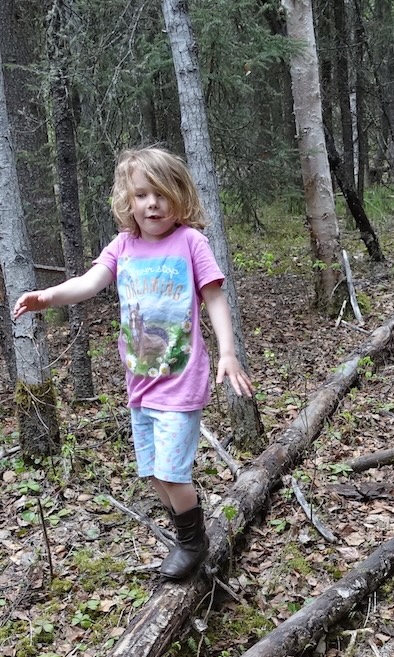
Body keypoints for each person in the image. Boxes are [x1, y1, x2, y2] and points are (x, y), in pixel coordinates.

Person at [13, 146, 253, 580]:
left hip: (181, 378)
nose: (152, 204)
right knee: (154, 473)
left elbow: (215, 297)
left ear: (179, 197)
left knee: (171, 472)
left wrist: (229, 352)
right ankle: (189, 532)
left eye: (161, 194)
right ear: (128, 201)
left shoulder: (190, 243)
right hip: (140, 382)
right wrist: (47, 297)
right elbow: (90, 283)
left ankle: (193, 542)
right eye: (142, 194)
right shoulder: (124, 246)